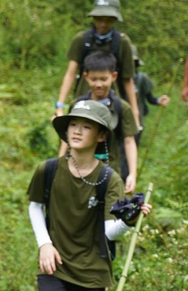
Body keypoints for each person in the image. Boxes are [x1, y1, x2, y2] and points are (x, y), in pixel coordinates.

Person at [28, 100, 151, 291]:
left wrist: (129, 221)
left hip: (92, 270)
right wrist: (45, 244)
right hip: (55, 263)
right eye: (73, 124)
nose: (77, 130)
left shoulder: (110, 179)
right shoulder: (47, 170)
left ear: (102, 136)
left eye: (86, 126)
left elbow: (110, 231)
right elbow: (35, 206)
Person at [55, 0, 141, 130]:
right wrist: (60, 105)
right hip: (83, 101)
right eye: (99, 19)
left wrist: (135, 112)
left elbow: (127, 79)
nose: (103, 24)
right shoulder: (82, 39)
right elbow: (70, 73)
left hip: (111, 104)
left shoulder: (122, 42)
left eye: (108, 20)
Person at [58, 51, 139, 193]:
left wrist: (132, 173)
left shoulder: (122, 108)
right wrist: (59, 164)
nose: (99, 84)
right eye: (94, 79)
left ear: (113, 77)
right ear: (86, 77)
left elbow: (129, 140)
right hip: (77, 168)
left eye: (103, 79)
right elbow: (67, 138)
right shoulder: (78, 105)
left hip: (109, 168)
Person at [131, 44, 170, 144]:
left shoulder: (141, 78)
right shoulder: (115, 79)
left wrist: (158, 101)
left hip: (136, 121)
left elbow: (150, 99)